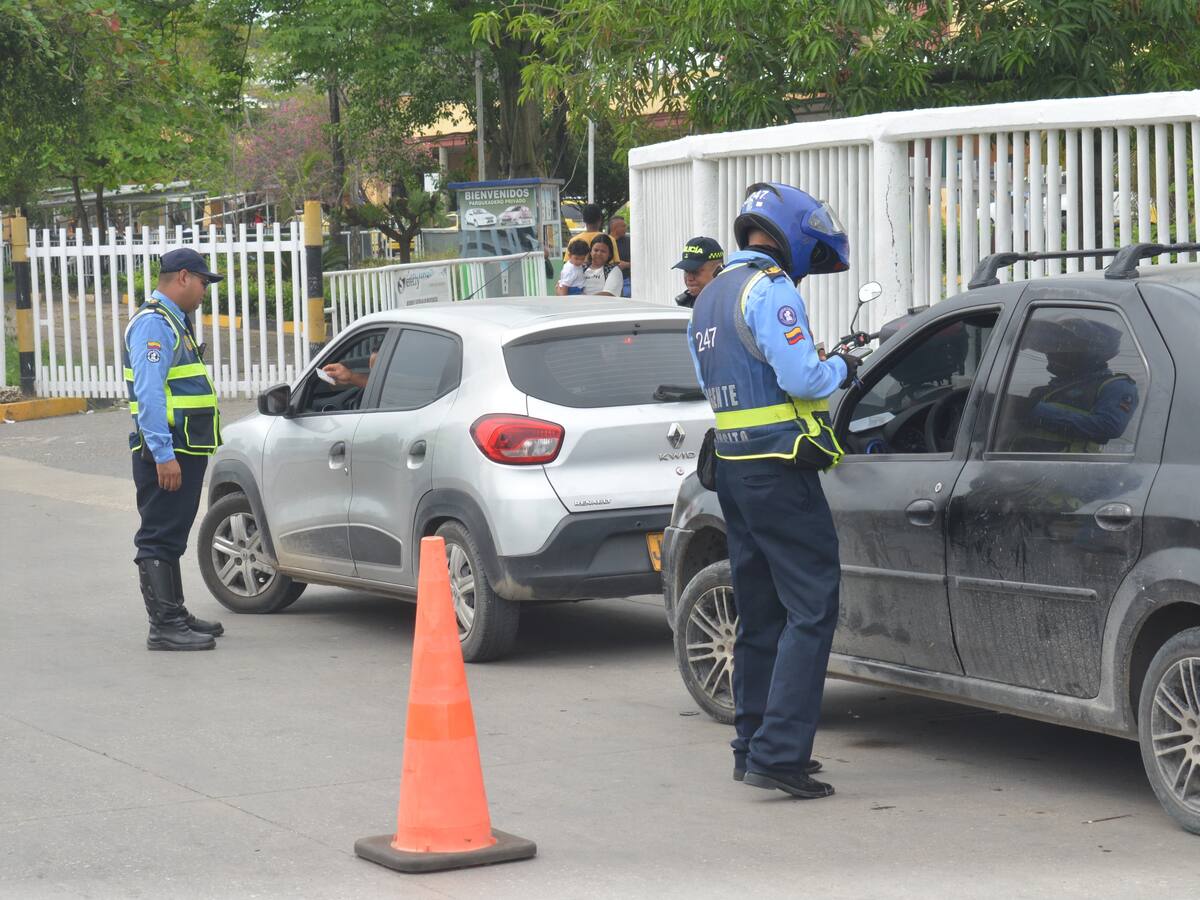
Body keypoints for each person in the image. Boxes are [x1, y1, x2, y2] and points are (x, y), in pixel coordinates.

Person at [689, 182, 859, 799]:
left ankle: (751, 745)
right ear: (788, 235)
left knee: (760, 610)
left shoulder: (708, 300)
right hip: (778, 467)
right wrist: (842, 365)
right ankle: (781, 755)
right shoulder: (770, 289)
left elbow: (721, 378)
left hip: (731, 470)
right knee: (812, 607)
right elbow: (805, 379)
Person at [124, 248, 225, 651]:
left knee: (173, 534)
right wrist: (163, 454)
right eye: (203, 282)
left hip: (184, 446)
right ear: (183, 276)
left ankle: (175, 612)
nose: (204, 291)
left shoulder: (173, 322)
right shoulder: (154, 324)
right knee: (159, 536)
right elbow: (149, 395)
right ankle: (164, 626)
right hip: (170, 449)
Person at [1007, 317, 1139, 453]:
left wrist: (1033, 409)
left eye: (1061, 348)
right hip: (1024, 467)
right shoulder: (1045, 391)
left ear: (1087, 353)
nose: (1051, 354)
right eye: (1053, 348)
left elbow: (1108, 427)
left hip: (1073, 470)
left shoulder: (1115, 386)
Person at [672, 236, 725, 308]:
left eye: (695, 271)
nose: (689, 278)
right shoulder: (684, 305)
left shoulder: (732, 305)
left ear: (719, 271)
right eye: (686, 271)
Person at [609, 216, 632, 297]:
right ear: (615, 228)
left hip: (626, 281)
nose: (626, 227)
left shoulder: (630, 242)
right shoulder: (605, 242)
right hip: (609, 281)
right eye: (623, 226)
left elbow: (639, 262)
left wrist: (627, 264)